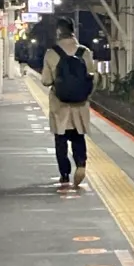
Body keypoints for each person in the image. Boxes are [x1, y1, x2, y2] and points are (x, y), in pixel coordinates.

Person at [42, 19, 96, 190]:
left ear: (58, 33)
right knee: (78, 137)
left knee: (61, 140)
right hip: (80, 105)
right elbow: (92, 78)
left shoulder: (52, 53)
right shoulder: (84, 52)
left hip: (60, 106)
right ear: (73, 31)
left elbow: (45, 80)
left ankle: (64, 175)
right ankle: (81, 164)